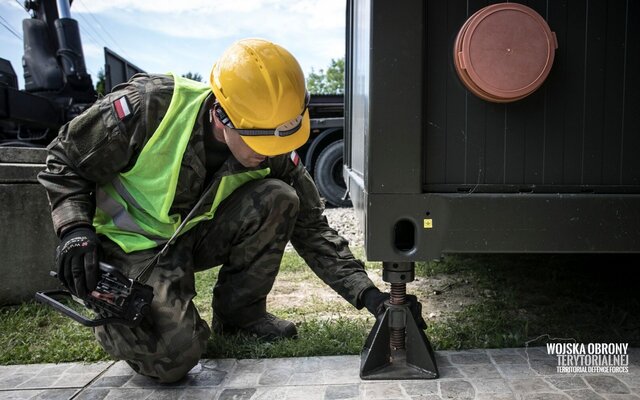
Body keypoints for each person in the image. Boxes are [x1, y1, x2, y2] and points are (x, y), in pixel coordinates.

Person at [38, 38, 424, 383]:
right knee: (175, 359)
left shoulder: (272, 150)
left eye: (284, 138)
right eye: (262, 142)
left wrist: (371, 297)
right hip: (130, 244)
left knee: (280, 196)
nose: (274, 152)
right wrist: (74, 230)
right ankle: (113, 307)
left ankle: (240, 318)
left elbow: (313, 230)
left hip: (189, 238)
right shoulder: (149, 106)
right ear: (222, 118)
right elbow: (63, 159)